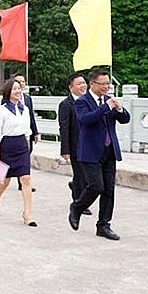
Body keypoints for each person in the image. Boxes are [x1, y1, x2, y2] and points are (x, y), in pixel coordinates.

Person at [68, 70, 130, 241]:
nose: (106, 86)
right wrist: (106, 107)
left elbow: (125, 119)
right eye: (103, 83)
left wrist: (120, 109)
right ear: (92, 84)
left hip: (109, 151)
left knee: (109, 190)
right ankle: (77, 207)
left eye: (108, 83)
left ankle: (103, 225)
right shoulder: (82, 102)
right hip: (90, 151)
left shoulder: (109, 100)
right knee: (96, 186)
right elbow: (85, 120)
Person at [0, 78, 37, 227]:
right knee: (5, 180)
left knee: (26, 179)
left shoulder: (25, 109)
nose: (18, 91)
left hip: (22, 145)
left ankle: (27, 214)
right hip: (7, 146)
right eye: (14, 88)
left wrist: (28, 144)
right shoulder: (2, 110)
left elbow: (27, 129)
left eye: (19, 88)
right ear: (8, 92)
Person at [58, 73, 91, 216]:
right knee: (80, 175)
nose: (83, 86)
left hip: (90, 145)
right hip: (76, 146)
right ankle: (79, 202)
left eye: (84, 83)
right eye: (79, 84)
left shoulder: (90, 102)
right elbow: (64, 128)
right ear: (71, 87)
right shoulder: (66, 104)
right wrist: (65, 150)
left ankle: (76, 189)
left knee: (89, 176)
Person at [12, 73, 39, 192]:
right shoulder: (8, 98)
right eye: (18, 82)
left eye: (23, 82)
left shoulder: (28, 98)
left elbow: (31, 116)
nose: (21, 84)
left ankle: (23, 181)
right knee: (20, 158)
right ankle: (23, 182)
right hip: (15, 134)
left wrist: (36, 132)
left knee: (27, 155)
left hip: (28, 133)